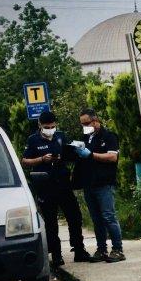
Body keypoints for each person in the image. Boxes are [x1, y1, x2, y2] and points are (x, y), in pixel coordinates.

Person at [21, 110, 88, 266]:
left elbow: (70, 153)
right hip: (45, 185)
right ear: (40, 125)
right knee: (51, 223)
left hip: (63, 183)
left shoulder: (60, 136)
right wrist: (41, 159)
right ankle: (56, 255)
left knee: (75, 217)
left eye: (52, 126)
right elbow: (25, 161)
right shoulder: (33, 140)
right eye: (47, 126)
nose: (50, 129)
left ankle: (79, 250)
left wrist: (68, 155)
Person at [76, 108, 125, 263]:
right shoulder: (85, 138)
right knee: (96, 219)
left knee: (108, 216)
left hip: (104, 183)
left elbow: (112, 157)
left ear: (95, 120)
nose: (85, 126)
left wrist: (91, 155)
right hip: (89, 183)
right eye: (82, 124)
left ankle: (117, 249)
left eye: (87, 123)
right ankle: (101, 249)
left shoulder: (109, 136)